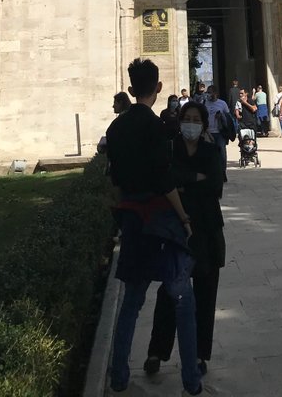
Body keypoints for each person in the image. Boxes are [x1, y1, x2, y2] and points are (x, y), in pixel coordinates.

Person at [105, 58, 203, 396]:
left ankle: (118, 376)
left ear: (131, 90)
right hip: (160, 221)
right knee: (182, 300)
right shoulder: (157, 127)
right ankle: (191, 380)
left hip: (132, 219)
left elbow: (116, 181)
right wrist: (185, 218)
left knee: (132, 301)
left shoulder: (115, 129)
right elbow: (164, 180)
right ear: (158, 88)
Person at [145, 102, 225, 380]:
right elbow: (166, 180)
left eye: (196, 119)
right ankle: (157, 351)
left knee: (205, 293)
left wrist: (183, 184)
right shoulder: (171, 149)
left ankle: (200, 354)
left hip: (207, 230)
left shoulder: (210, 150)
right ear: (179, 122)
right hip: (177, 230)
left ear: (203, 124)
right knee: (169, 292)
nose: (190, 123)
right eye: (186, 118)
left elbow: (216, 185)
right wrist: (195, 178)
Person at [204, 85, 232, 176]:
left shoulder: (222, 104)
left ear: (215, 93)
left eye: (210, 92)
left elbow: (228, 118)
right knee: (209, 154)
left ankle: (222, 172)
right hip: (208, 133)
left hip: (219, 133)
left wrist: (221, 116)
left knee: (222, 154)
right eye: (207, 92)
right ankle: (211, 173)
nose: (208, 94)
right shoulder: (204, 103)